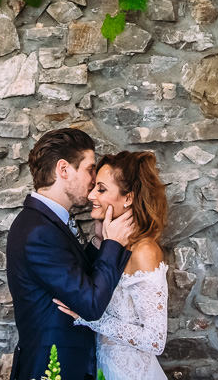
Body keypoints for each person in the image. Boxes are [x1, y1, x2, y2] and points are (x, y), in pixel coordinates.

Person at [6, 128, 136, 380]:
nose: (94, 178)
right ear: (63, 170)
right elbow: (90, 304)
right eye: (89, 169)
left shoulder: (47, 222)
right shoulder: (38, 231)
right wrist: (113, 244)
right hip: (53, 368)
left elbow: (74, 277)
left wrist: (99, 241)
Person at [53, 151, 169, 380]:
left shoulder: (144, 251)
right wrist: (100, 241)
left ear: (128, 198)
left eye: (102, 189)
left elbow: (155, 341)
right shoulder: (111, 245)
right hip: (103, 369)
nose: (91, 195)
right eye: (94, 186)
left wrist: (89, 317)